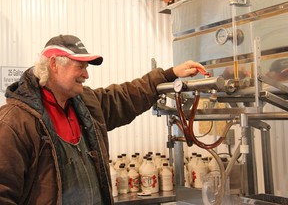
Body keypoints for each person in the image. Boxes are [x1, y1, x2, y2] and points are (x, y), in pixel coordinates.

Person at [0, 34, 206, 205]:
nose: (86, 75)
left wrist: (169, 75)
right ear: (54, 64)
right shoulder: (15, 122)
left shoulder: (86, 105)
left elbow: (127, 96)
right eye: (80, 66)